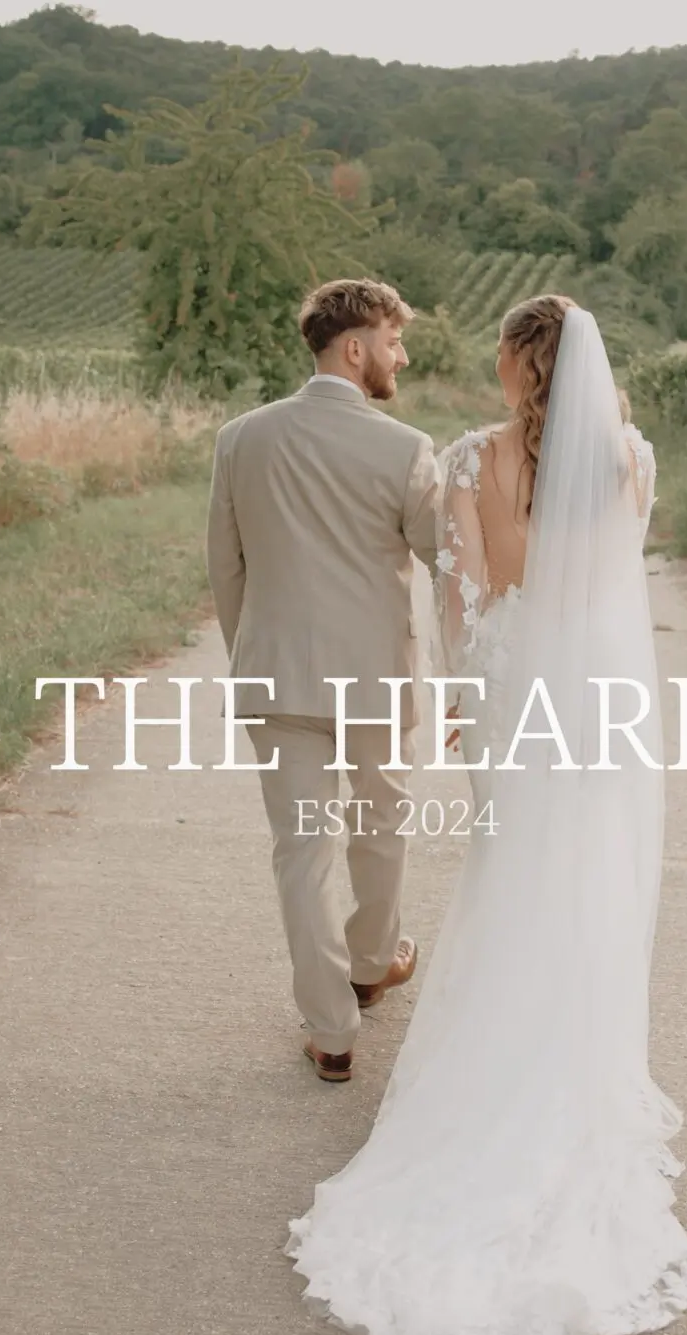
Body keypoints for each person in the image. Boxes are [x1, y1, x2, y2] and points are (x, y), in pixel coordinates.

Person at [284, 294, 687, 1335]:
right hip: (599, 707)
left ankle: (496, 1080)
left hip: (517, 705)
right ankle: (574, 1071)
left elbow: (465, 604)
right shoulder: (631, 460)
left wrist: (469, 709)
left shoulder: (472, 461)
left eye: (500, 352)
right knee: (588, 889)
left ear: (522, 364)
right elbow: (615, 586)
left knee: (514, 879)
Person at [205, 278, 436, 1083]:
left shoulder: (240, 438)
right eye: (393, 341)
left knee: (300, 851)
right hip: (373, 677)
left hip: (276, 676)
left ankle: (332, 1032)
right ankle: (372, 962)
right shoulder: (405, 449)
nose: (399, 356)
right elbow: (445, 556)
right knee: (381, 824)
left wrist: (255, 657)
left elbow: (225, 569)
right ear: (355, 346)